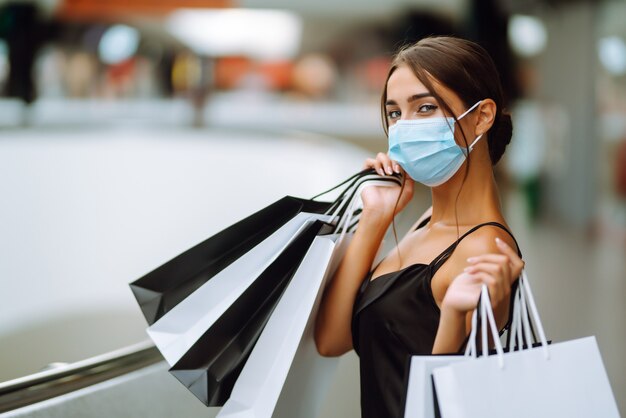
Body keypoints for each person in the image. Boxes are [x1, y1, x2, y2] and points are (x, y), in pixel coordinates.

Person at [314, 36, 526, 418]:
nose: (404, 127)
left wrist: (453, 319)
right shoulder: (428, 224)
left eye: (425, 108)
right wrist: (377, 218)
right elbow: (331, 340)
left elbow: (449, 407)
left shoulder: (483, 252)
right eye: (394, 114)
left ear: (481, 116)